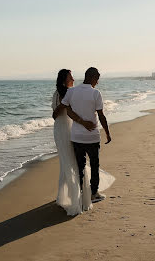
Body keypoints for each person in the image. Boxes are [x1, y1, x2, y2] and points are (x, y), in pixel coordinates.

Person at [51, 69, 114, 215]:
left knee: (76, 165)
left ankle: (76, 195)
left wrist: (77, 120)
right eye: (97, 78)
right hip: (83, 134)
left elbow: (64, 110)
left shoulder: (71, 92)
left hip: (73, 134)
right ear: (92, 78)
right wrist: (107, 132)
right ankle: (91, 194)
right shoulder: (93, 93)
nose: (98, 82)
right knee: (92, 164)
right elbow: (101, 115)